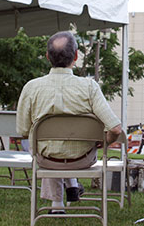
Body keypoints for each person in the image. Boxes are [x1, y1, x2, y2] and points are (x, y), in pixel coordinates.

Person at [16, 31, 122, 213]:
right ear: (76, 56)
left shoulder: (31, 87)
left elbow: (23, 131)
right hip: (82, 159)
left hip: (46, 160)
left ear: (47, 56)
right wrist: (103, 142)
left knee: (43, 144)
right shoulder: (90, 87)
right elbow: (116, 129)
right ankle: (71, 185)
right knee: (57, 146)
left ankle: (57, 204)